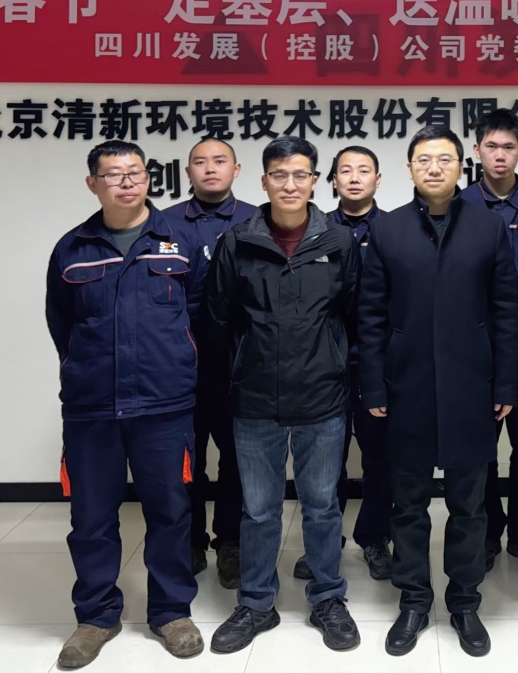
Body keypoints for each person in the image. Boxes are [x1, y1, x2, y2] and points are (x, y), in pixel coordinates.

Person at [358, 125, 518, 658]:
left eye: (445, 159)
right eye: (424, 160)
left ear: (461, 167)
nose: (434, 168)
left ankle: (465, 601)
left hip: (472, 387)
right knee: (406, 505)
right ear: (409, 168)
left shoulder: (488, 227)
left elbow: (507, 310)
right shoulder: (387, 229)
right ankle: (413, 599)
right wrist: (373, 383)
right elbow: (370, 316)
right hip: (404, 388)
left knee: (469, 506)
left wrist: (506, 381)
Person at [45, 140, 203, 668]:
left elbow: (201, 314)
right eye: (114, 174)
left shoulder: (179, 240)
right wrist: (87, 369)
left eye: (136, 172)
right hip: (92, 407)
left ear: (149, 178)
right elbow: (61, 324)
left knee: (170, 513)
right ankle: (96, 616)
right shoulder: (72, 248)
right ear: (93, 184)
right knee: (91, 517)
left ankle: (171, 612)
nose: (128, 181)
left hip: (165, 404)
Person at [205, 135, 362, 653]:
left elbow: (355, 316)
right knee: (258, 510)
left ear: (315, 181)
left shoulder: (339, 242)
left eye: (299, 175)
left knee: (322, 506)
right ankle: (255, 603)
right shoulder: (238, 242)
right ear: (264, 180)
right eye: (279, 175)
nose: (289, 184)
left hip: (322, 397)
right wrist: (235, 375)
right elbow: (218, 320)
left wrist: (339, 368)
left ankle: (328, 598)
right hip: (255, 400)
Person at [460, 109, 518, 576]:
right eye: (492, 147)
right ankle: (485, 534)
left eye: (509, 147)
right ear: (476, 150)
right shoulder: (459, 203)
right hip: (477, 351)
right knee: (479, 452)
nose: (500, 155)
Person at [293, 145, 392, 582]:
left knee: (380, 457)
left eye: (363, 170)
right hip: (324, 362)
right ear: (331, 181)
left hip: (379, 363)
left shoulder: (395, 229)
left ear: (378, 179)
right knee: (324, 460)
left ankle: (375, 538)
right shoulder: (314, 230)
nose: (354, 178)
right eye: (345, 171)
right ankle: (325, 540)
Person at [167, 136, 255, 590]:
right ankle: (190, 541)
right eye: (200, 162)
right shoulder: (163, 223)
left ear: (236, 170)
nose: (210, 168)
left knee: (238, 459)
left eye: (220, 161)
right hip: (179, 365)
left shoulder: (257, 220)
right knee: (186, 459)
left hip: (240, 365)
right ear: (189, 172)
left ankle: (231, 543)